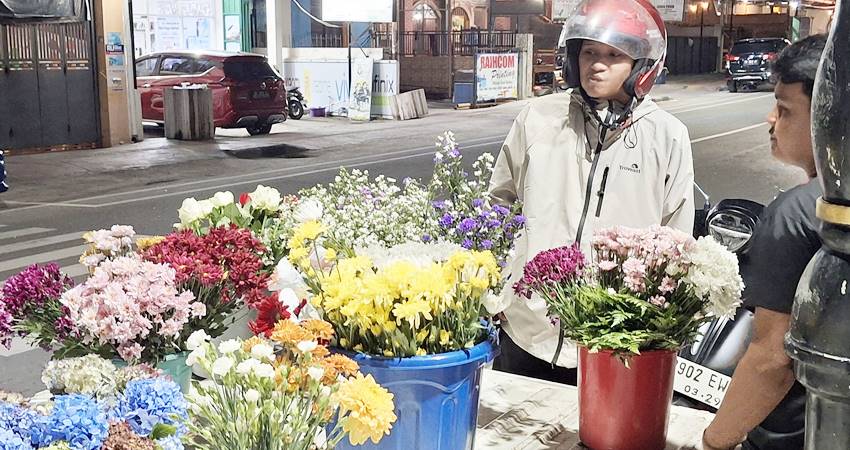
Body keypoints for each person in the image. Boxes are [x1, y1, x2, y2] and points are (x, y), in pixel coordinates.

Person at [487, 0, 695, 383]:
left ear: (641, 66)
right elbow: (497, 206)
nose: (597, 65)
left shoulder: (667, 136)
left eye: (614, 55)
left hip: (613, 340)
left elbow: (676, 241)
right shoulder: (537, 118)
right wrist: (496, 292)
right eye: (589, 52)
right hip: (526, 329)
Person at [702, 34, 827, 450]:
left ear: (830, 115)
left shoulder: (796, 215)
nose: (770, 119)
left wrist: (716, 439)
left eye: (785, 108)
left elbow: (772, 358)